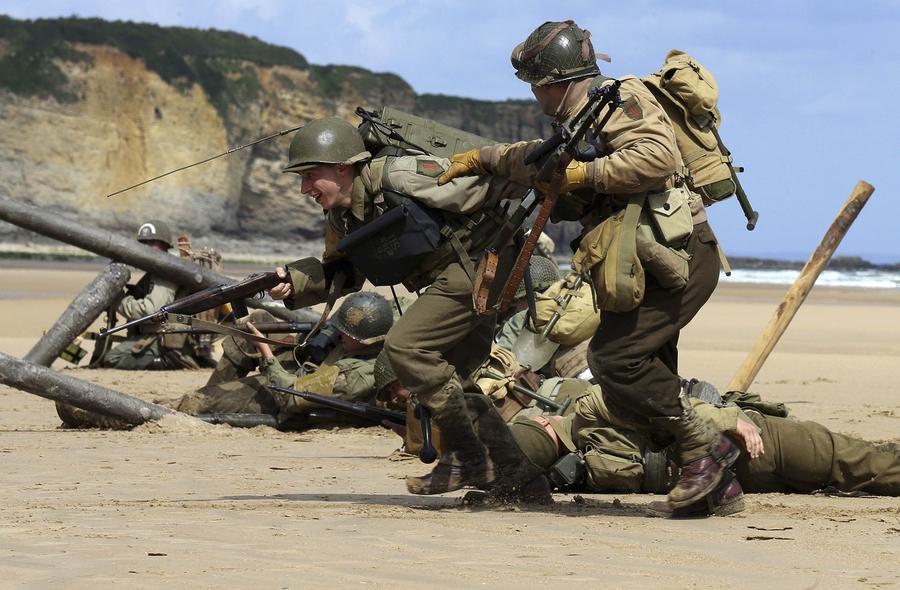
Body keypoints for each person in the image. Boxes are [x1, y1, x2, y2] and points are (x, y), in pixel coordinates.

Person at [437, 20, 735, 511]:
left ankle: (708, 449)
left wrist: (585, 174)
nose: (534, 94)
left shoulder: (619, 99)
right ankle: (717, 488)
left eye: (536, 84)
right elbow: (537, 160)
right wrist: (481, 159)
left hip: (679, 257)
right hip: (646, 263)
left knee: (617, 360)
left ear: (554, 82)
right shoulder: (580, 118)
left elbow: (657, 158)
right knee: (646, 375)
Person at [267, 116, 549, 500]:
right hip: (455, 275)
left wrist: (547, 169)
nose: (304, 189)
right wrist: (294, 281)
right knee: (457, 381)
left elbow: (483, 183)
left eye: (310, 175)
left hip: (479, 265)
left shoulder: (400, 175)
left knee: (405, 346)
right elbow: (344, 272)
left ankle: (468, 458)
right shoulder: (341, 217)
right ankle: (522, 482)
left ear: (343, 167)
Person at [508, 379, 900, 517]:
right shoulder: (570, 466)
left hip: (747, 442)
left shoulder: (595, 404)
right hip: (731, 480)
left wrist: (729, 420)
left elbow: (664, 402)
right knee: (836, 472)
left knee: (855, 462)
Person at [173, 291, 393, 428]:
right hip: (305, 368)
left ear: (366, 340)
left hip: (287, 392)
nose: (340, 333)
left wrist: (266, 353)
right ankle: (213, 391)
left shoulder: (356, 377)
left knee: (197, 402)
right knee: (257, 320)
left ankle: (204, 400)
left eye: (345, 332)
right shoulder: (360, 342)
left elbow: (290, 396)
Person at [97, 220, 201, 370]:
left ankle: (169, 361)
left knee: (113, 358)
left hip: (162, 339)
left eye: (151, 243)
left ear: (164, 245)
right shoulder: (157, 271)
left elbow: (151, 311)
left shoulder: (165, 271)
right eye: (143, 243)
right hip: (159, 336)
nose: (146, 247)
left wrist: (119, 301)